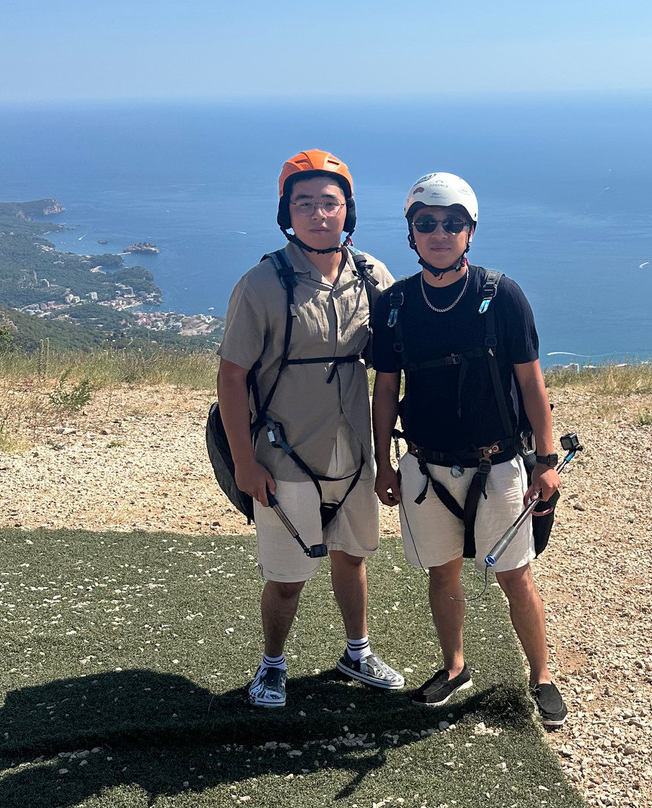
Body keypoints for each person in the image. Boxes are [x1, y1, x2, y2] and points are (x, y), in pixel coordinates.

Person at [371, 172, 568, 727]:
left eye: (452, 223)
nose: (439, 232)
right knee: (442, 574)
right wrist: (383, 462)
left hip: (497, 461)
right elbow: (385, 390)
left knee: (516, 576)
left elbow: (532, 383)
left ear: (470, 231)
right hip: (425, 464)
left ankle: (542, 675)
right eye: (427, 223)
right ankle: (454, 666)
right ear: (411, 232)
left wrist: (546, 461)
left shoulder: (501, 296)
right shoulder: (395, 305)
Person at [217, 149, 403, 708]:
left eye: (331, 203)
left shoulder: (371, 276)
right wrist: (244, 463)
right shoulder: (262, 284)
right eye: (305, 204)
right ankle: (273, 664)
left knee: (352, 557)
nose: (319, 215)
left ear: (348, 210)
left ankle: (356, 650)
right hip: (283, 451)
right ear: (286, 212)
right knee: (288, 574)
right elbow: (231, 377)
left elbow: (394, 363)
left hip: (354, 451)